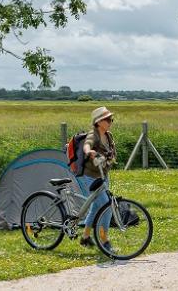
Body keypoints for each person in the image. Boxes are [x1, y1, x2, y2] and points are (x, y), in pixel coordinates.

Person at [78, 106, 117, 251]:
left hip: (103, 175)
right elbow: (86, 145)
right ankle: (104, 240)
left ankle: (85, 237)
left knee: (96, 206)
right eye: (107, 119)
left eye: (111, 119)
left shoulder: (108, 135)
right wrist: (90, 152)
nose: (110, 121)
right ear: (99, 121)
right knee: (106, 206)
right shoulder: (93, 134)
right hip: (90, 176)